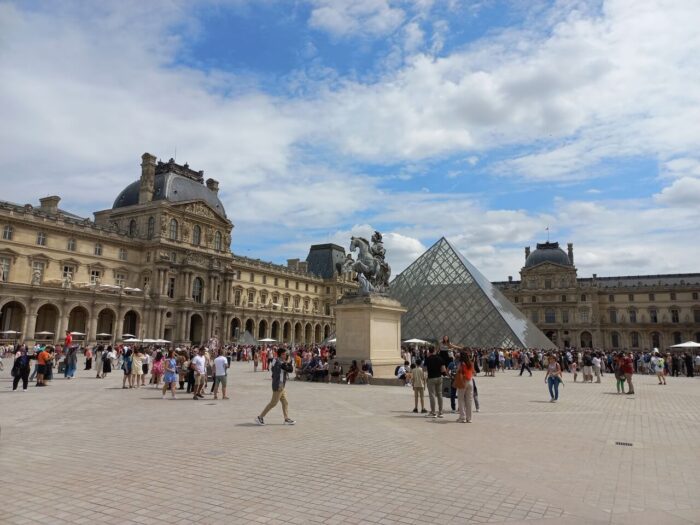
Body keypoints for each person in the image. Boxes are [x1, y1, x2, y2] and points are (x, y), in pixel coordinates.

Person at [256, 348, 295, 425]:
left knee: (285, 402)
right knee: (273, 403)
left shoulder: (276, 360)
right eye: (284, 354)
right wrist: (288, 363)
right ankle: (260, 417)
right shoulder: (279, 362)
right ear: (281, 354)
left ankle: (286, 418)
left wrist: (287, 363)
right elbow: (289, 370)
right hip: (278, 385)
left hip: (281, 385)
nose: (286, 355)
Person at [425, 347, 446, 418]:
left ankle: (433, 412)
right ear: (435, 351)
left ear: (429, 351)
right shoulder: (440, 358)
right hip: (439, 377)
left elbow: (424, 369)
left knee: (432, 395)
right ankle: (440, 412)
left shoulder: (427, 359)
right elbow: (443, 370)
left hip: (431, 378)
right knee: (440, 395)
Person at [454, 352, 474, 423]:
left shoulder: (461, 363)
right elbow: (473, 372)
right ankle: (469, 418)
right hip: (470, 381)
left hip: (463, 382)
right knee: (469, 401)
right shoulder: (470, 362)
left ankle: (462, 418)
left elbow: (458, 371)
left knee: (461, 399)